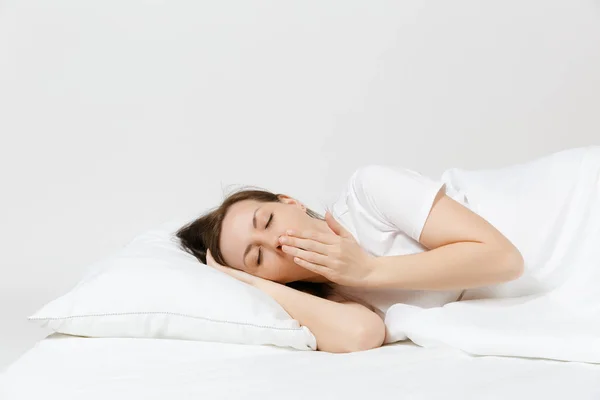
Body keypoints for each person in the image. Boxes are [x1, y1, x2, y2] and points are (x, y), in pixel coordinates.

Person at [176, 145, 600, 354]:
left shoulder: (369, 193)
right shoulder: (334, 302)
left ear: (288, 201)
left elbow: (502, 259)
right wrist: (246, 282)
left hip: (572, 205)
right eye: (258, 258)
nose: (276, 242)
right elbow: (363, 334)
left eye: (266, 222)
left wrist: (369, 271)